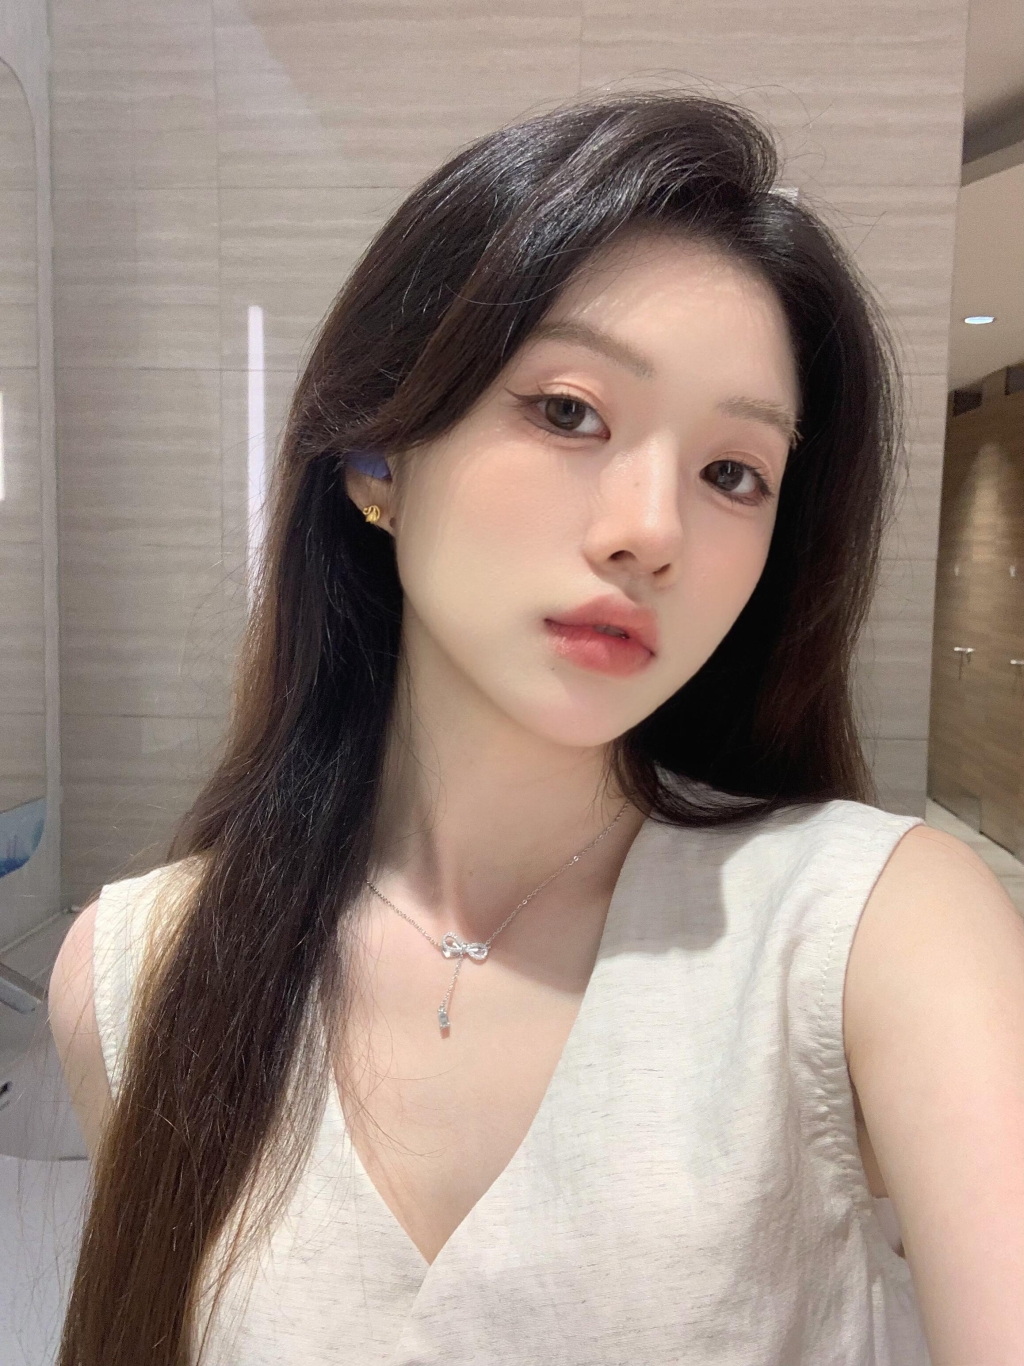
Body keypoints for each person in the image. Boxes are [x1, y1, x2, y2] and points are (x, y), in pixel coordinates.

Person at [48, 93, 1024, 1366]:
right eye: (569, 410)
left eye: (733, 472)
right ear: (379, 458)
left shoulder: (875, 932)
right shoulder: (140, 972)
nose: (652, 530)